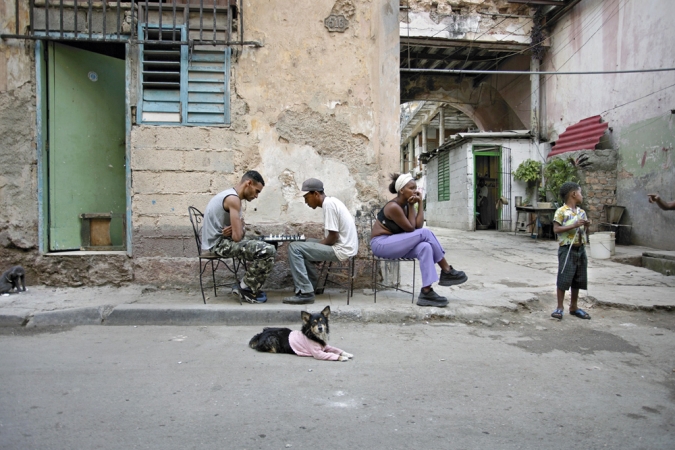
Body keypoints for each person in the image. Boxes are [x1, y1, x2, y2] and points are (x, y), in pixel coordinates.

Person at [370, 173, 468, 308]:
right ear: (401, 190)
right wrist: (411, 207)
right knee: (425, 233)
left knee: (425, 247)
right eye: (411, 188)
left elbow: (418, 226)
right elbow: (412, 229)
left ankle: (426, 292)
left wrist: (420, 203)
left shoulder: (405, 204)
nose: (415, 191)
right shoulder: (393, 207)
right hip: (381, 244)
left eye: (416, 188)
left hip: (395, 243)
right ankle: (446, 270)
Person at [202, 170, 276, 304]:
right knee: (268, 250)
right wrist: (240, 227)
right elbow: (237, 237)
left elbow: (239, 232)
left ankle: (247, 285)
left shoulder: (231, 196)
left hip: (223, 241)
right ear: (248, 183)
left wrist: (239, 228)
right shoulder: (233, 199)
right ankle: (245, 288)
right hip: (218, 245)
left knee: (267, 243)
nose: (257, 196)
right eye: (257, 191)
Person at [283, 178, 358, 305]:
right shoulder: (331, 201)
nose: (306, 202)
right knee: (306, 242)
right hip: (343, 246)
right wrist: (313, 247)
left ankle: (305, 293)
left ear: (316, 194)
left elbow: (333, 237)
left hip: (341, 249)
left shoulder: (328, 205)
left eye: (306, 198)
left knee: (294, 247)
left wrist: (317, 247)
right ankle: (312, 286)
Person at [551, 182, 591, 320]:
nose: (582, 195)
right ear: (574, 194)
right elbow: (556, 229)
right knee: (564, 277)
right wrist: (573, 225)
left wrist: (586, 226)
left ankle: (574, 306)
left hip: (580, 249)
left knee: (578, 277)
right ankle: (559, 307)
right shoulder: (561, 211)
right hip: (567, 249)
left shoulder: (581, 212)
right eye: (580, 192)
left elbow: (584, 232)